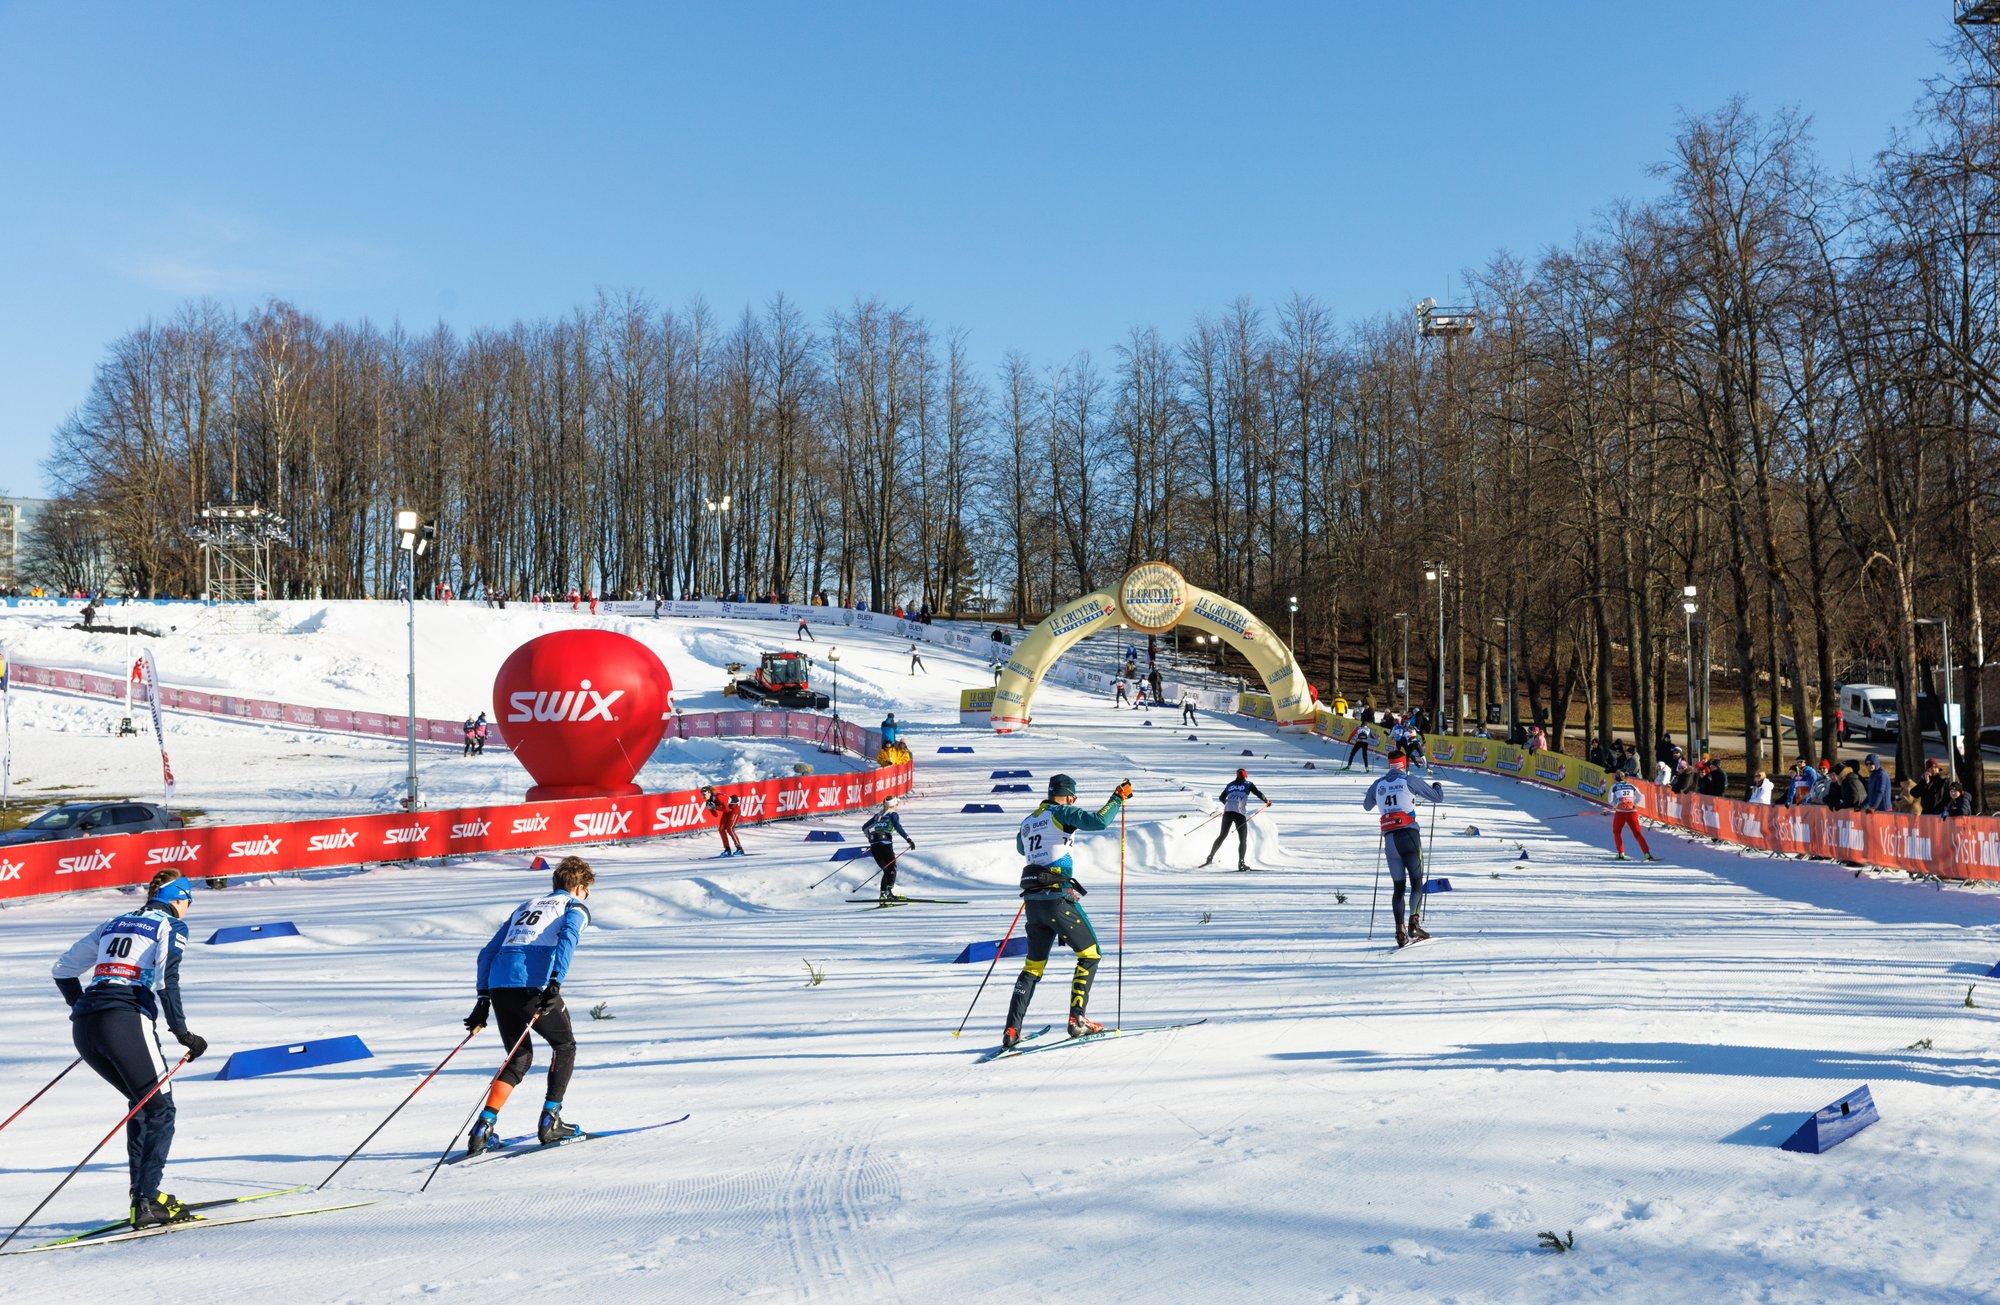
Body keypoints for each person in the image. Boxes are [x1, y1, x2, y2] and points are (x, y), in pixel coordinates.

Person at [51, 870, 208, 1228]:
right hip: (125, 1019)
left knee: (143, 1105)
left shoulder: (115, 922)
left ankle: (144, 1197)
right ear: (179, 898)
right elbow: (167, 979)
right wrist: (183, 1033)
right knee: (160, 1110)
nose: (188, 908)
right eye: (190, 902)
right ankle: (147, 1200)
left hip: (86, 1024)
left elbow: (63, 969)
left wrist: (84, 1008)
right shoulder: (170, 925)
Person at [465, 857, 594, 1154]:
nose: (587, 895)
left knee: (518, 1058)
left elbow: (487, 953)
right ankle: (551, 1121)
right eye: (587, 890)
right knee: (565, 1046)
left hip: (499, 987)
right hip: (532, 986)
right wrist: (555, 982)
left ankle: (483, 1127)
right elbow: (568, 939)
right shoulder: (573, 907)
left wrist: (483, 999)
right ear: (579, 886)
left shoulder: (526, 905)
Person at [1001, 773, 1132, 1048]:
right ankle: (1077, 1020)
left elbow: (1021, 848)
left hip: (1033, 903)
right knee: (1090, 954)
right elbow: (1099, 821)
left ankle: (1012, 1030)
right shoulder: (1062, 812)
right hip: (1057, 899)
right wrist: (1117, 798)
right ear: (1069, 796)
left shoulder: (1028, 821)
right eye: (1074, 797)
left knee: (1033, 967)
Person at [1362, 750, 1444, 947]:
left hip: (1390, 839)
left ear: (1389, 764)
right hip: (1409, 835)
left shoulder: (1378, 784)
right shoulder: (1409, 780)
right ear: (1404, 764)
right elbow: (1437, 798)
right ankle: (1413, 924)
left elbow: (1366, 805)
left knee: (1398, 887)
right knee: (1416, 882)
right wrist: (1437, 786)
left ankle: (1399, 930)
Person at [1201, 768, 1270, 871]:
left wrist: (1228, 804)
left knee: (1222, 836)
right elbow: (1258, 793)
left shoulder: (1230, 785)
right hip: (1239, 814)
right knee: (1242, 839)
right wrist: (1266, 801)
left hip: (1227, 812)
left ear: (1237, 776)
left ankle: (1210, 858)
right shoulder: (1248, 784)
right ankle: (1241, 864)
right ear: (1245, 776)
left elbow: (1221, 798)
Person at [862, 797, 917, 902]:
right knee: (892, 869)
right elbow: (898, 827)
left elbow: (864, 828)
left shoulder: (878, 815)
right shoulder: (893, 814)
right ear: (894, 805)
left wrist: (871, 839)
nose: (897, 806)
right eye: (897, 804)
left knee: (886, 871)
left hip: (874, 845)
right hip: (885, 844)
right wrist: (908, 839)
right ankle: (888, 893)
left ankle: (883, 894)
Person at [1606, 771, 1659, 862]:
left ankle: (1621, 853)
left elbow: (1610, 800)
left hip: (1620, 812)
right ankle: (1647, 854)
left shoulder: (1614, 786)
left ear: (1616, 778)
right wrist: (1634, 803)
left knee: (1617, 832)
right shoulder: (1631, 786)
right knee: (1637, 833)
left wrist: (1616, 805)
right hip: (1632, 811)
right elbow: (1640, 796)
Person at [702, 787, 745, 856]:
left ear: (709, 793)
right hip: (727, 812)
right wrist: (711, 809)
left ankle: (739, 849)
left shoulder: (719, 797)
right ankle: (727, 849)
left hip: (734, 810)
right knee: (721, 829)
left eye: (704, 794)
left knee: (730, 828)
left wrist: (715, 807)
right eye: (702, 795)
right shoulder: (708, 802)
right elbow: (715, 815)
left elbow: (727, 809)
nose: (703, 796)